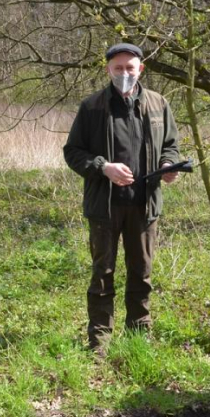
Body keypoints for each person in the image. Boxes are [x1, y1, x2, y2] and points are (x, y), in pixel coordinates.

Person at [63, 43, 181, 351]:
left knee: (142, 272)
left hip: (144, 205)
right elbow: (73, 152)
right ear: (108, 70)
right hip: (105, 207)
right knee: (103, 273)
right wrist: (103, 167)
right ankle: (99, 340)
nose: (124, 73)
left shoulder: (158, 104)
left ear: (141, 69)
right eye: (118, 68)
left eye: (130, 68)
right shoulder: (92, 107)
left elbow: (170, 145)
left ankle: (138, 335)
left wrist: (168, 165)